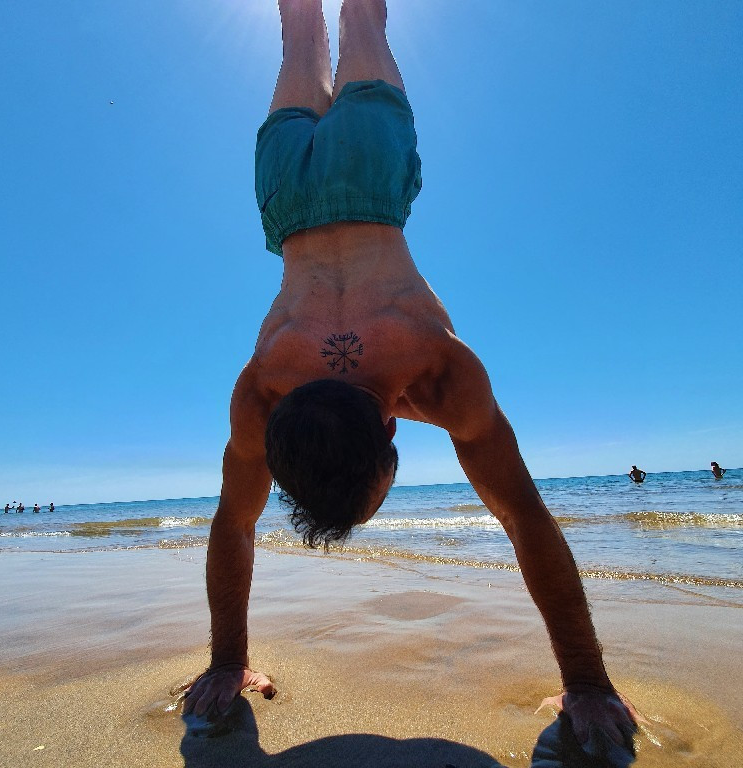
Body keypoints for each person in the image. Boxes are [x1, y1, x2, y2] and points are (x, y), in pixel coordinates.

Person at [184, 0, 638, 752]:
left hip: (369, 171)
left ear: (393, 434)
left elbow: (524, 515)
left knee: (363, 17)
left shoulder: (438, 369)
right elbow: (234, 520)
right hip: (286, 202)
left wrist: (587, 682)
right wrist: (226, 662)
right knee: (301, 23)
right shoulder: (263, 385)